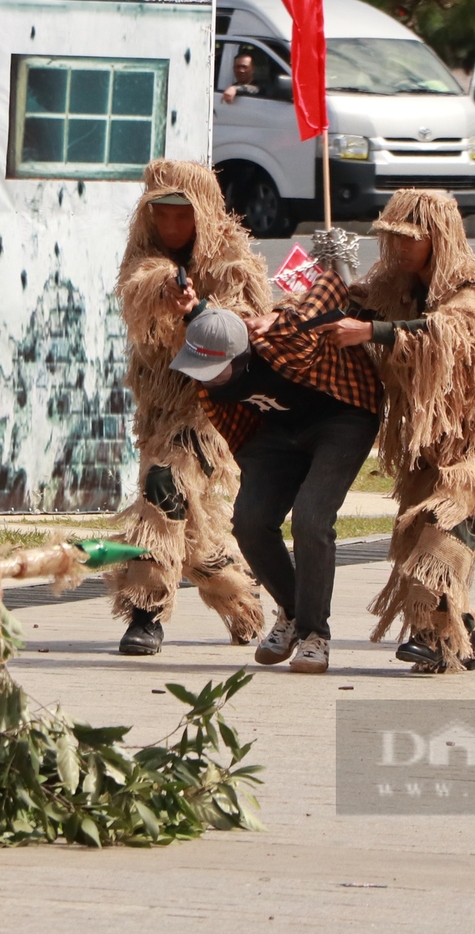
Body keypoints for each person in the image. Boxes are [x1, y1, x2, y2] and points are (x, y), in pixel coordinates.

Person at [312, 190, 475, 673]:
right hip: (425, 441)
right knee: (417, 531)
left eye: (408, 240)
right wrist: (311, 296)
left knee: (445, 523)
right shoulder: (390, 285)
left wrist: (372, 333)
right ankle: (459, 635)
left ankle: (433, 636)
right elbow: (353, 305)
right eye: (390, 239)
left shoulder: (474, 287)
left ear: (436, 238)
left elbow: (448, 331)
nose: (397, 249)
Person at [171, 268, 383, 675]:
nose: (202, 378)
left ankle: (314, 635)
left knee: (311, 520)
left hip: (341, 418)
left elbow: (333, 281)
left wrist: (289, 319)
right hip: (278, 432)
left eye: (209, 369)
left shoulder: (283, 342)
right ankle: (291, 612)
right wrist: (192, 306)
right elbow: (211, 325)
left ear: (239, 356)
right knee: (249, 521)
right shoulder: (212, 358)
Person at [108, 161, 269, 656]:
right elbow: (141, 281)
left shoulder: (233, 262)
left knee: (163, 485)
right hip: (160, 407)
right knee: (187, 523)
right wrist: (167, 286)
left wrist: (201, 311)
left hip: (212, 408)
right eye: (162, 215)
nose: (172, 227)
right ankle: (241, 595)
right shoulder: (146, 255)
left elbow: (246, 326)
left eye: (184, 216)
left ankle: (145, 612)